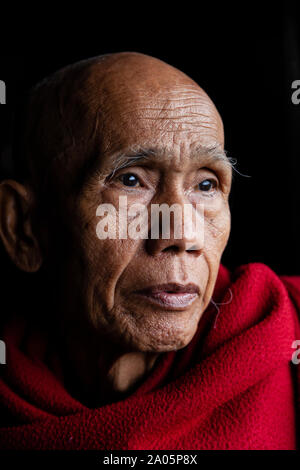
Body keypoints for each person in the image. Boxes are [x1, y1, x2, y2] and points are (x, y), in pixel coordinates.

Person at [0, 52, 299, 450]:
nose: (181, 234)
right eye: (130, 180)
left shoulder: (281, 327)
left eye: (206, 185)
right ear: (23, 227)